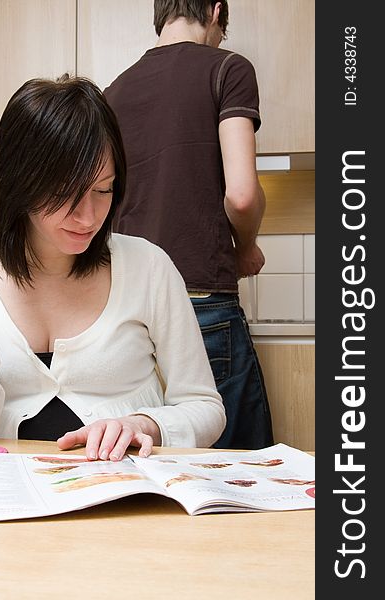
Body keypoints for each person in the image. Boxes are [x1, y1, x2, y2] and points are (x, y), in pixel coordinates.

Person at [0, 74, 226, 461]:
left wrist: (144, 424)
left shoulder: (148, 266)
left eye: (103, 189)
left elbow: (206, 408)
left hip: (127, 493)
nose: (88, 217)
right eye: (65, 194)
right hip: (11, 497)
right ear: (19, 184)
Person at [104, 0, 273, 449]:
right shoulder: (228, 69)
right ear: (216, 11)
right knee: (238, 475)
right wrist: (246, 248)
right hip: (202, 302)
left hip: (128, 314)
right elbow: (241, 193)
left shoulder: (111, 93)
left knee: (153, 471)